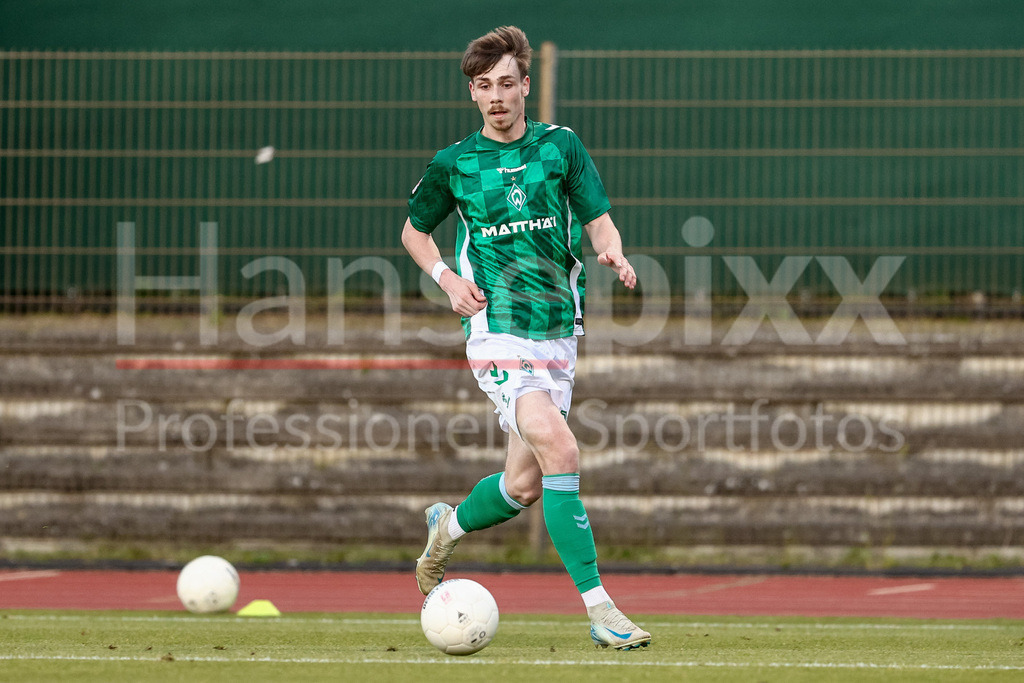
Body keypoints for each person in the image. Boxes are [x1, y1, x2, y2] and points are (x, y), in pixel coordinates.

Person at [400, 25, 651, 650]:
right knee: (562, 452)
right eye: (483, 87)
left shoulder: (560, 147)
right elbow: (413, 232)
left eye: (506, 84)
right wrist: (446, 278)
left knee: (523, 486)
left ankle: (446, 529)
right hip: (495, 327)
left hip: (558, 330)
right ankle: (601, 609)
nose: (495, 97)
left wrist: (614, 255)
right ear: (473, 94)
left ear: (526, 87)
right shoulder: (454, 164)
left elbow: (598, 222)